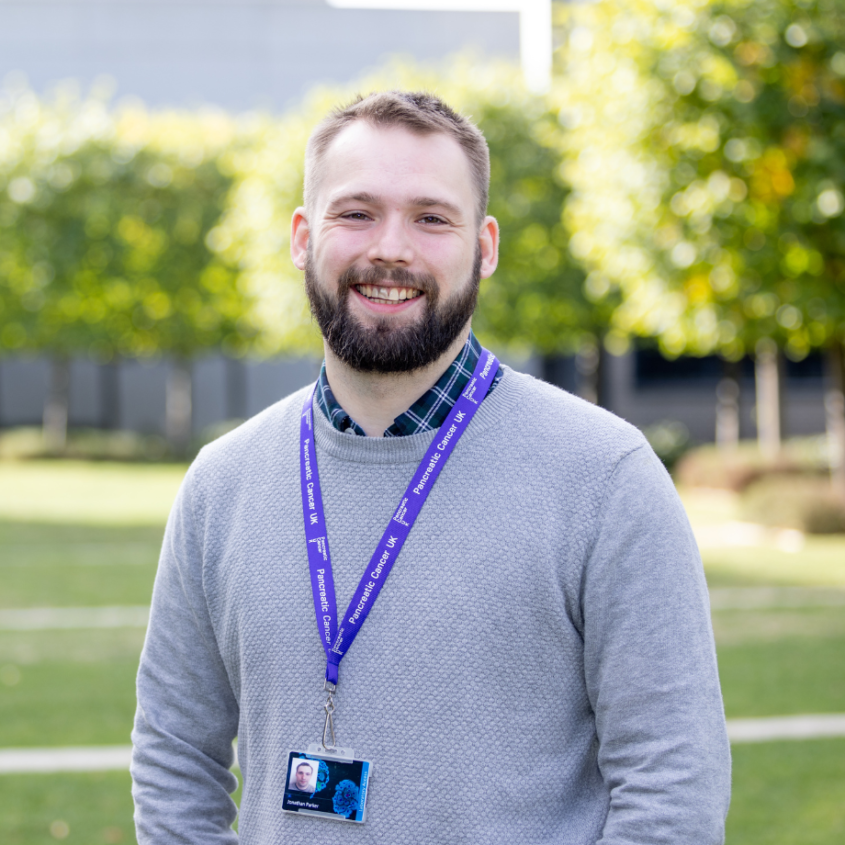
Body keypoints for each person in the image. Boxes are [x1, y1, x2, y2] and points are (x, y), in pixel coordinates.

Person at [131, 91, 731, 844]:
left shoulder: (604, 476)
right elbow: (174, 755)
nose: (391, 248)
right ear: (300, 236)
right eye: (355, 212)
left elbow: (672, 781)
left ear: (484, 246)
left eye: (430, 217)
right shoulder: (221, 484)